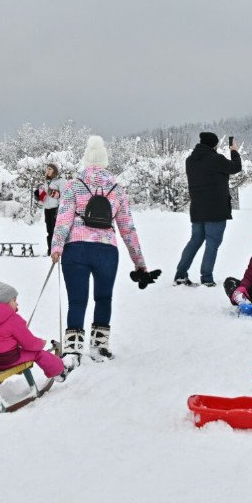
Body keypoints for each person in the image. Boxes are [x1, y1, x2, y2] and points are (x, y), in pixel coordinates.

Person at [50, 135, 152, 362]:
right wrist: (139, 262)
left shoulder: (73, 186)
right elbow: (128, 229)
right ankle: (100, 348)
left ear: (85, 161)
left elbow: (63, 220)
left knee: (77, 300)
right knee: (103, 298)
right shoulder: (117, 189)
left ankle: (73, 351)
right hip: (106, 250)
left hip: (75, 248)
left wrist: (57, 246)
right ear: (105, 162)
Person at [0, 274, 72, 381]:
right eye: (14, 300)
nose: (17, 303)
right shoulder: (12, 318)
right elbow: (29, 344)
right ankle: (60, 371)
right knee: (38, 353)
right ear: (5, 301)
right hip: (6, 361)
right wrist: (41, 343)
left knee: (17, 351)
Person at [173, 132, 242, 286]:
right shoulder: (216, 159)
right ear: (214, 144)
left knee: (195, 240)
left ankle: (180, 274)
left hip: (197, 209)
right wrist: (234, 151)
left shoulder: (190, 160)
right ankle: (207, 278)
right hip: (216, 210)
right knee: (212, 243)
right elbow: (236, 167)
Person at [35, 163, 64, 247]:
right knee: (49, 231)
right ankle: (50, 250)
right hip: (47, 209)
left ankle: (57, 250)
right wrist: (39, 195)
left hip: (56, 209)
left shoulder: (60, 181)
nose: (47, 170)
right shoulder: (46, 181)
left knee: (56, 231)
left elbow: (63, 195)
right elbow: (45, 196)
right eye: (47, 169)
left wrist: (54, 194)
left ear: (54, 171)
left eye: (50, 169)